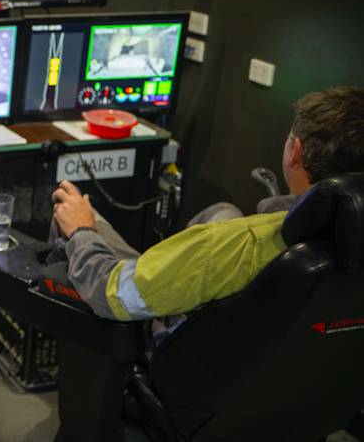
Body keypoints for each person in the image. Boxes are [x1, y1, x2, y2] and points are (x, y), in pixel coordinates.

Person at [51, 86, 364, 322]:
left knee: (74, 210)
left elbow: (116, 294)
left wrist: (81, 231)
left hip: (174, 358)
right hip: (283, 384)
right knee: (222, 212)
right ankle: (159, 271)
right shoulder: (346, 242)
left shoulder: (238, 245)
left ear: (295, 152)